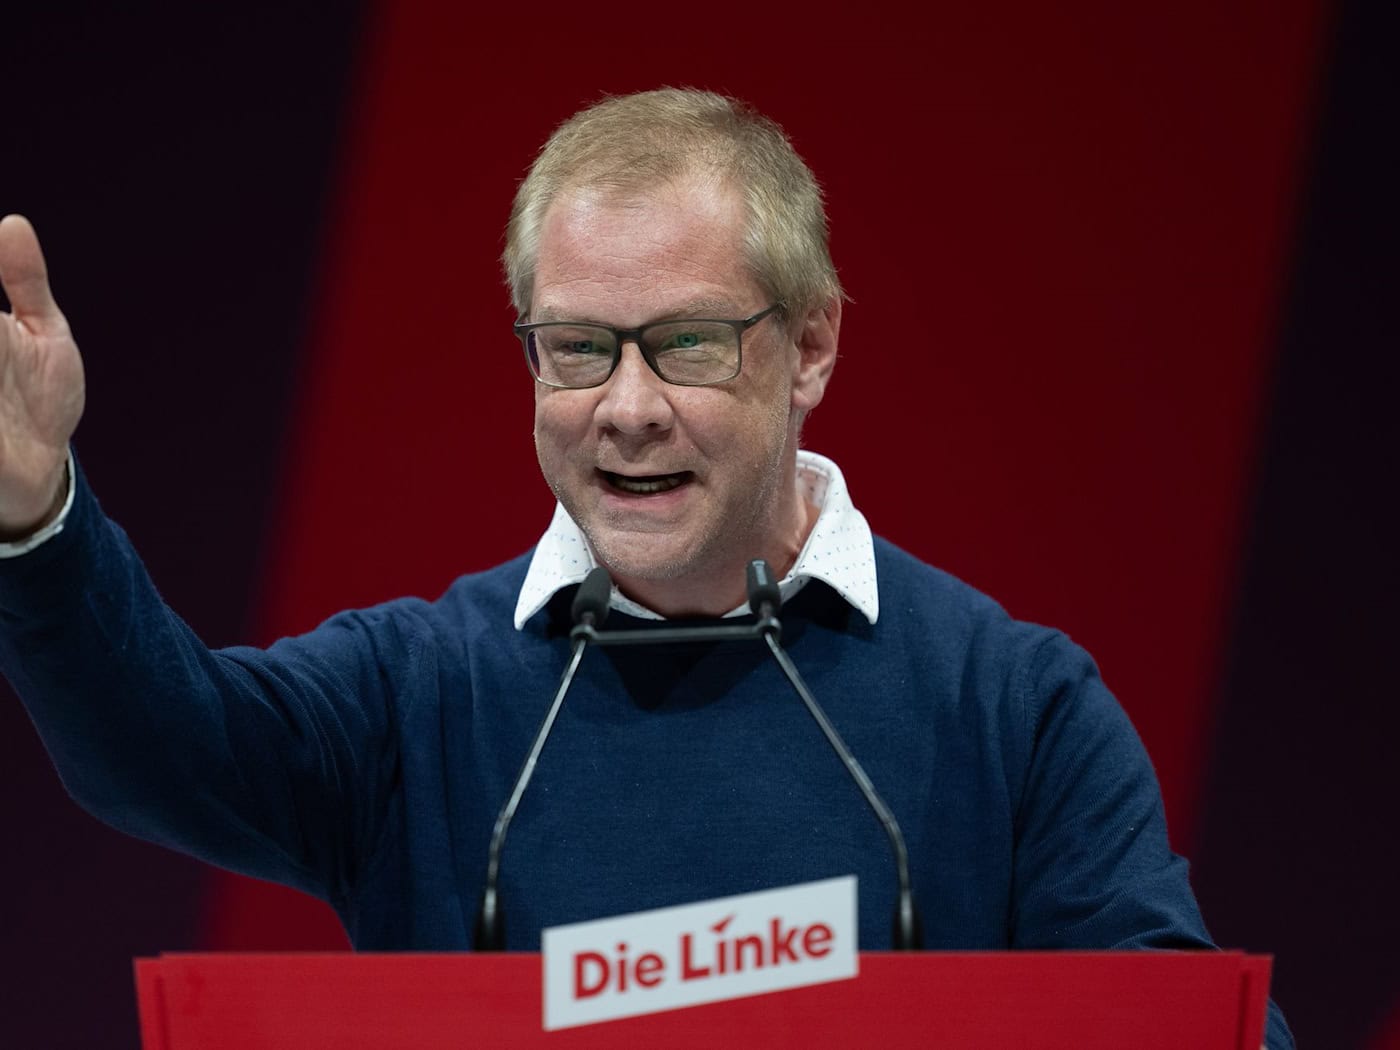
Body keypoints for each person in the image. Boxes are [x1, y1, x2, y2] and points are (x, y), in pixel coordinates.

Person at [0, 88, 1290, 1045]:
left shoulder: (1013, 710)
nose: (624, 408)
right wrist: (36, 517)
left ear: (815, 348)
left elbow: (1175, 1021)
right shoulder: (421, 693)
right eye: (575, 349)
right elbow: (159, 746)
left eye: (683, 344)